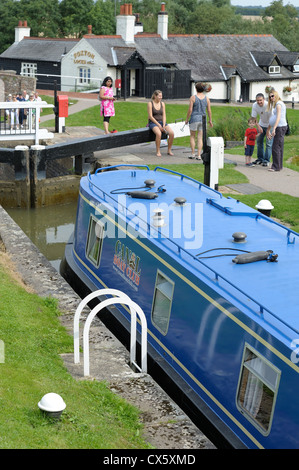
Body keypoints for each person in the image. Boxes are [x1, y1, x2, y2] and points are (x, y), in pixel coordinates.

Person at [185, 82, 213, 160]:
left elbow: (190, 110)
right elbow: (209, 110)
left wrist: (187, 119)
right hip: (203, 119)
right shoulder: (206, 98)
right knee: (200, 137)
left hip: (194, 118)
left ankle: (193, 153)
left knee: (192, 136)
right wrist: (210, 120)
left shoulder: (193, 98)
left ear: (196, 89)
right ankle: (199, 155)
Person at [147, 90, 174, 157]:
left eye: (161, 96)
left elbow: (164, 115)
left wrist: (164, 124)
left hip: (162, 122)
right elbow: (150, 116)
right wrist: (158, 125)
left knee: (171, 133)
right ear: (155, 96)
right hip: (153, 122)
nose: (160, 97)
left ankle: (169, 150)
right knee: (159, 133)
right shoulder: (150, 103)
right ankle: (158, 151)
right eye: (159, 96)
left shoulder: (162, 104)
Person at [266, 90, 288, 172]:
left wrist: (274, 128)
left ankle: (276, 166)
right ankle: (279, 165)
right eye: (270, 96)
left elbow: (278, 117)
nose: (271, 98)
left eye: (273, 96)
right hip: (280, 127)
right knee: (279, 147)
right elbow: (274, 118)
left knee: (275, 147)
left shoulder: (278, 104)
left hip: (280, 127)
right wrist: (269, 129)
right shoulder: (277, 104)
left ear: (276, 95)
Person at [251, 93, 273, 166]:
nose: (259, 102)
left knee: (268, 143)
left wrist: (268, 130)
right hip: (261, 124)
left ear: (264, 99)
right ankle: (260, 159)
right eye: (257, 100)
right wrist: (258, 126)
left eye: (260, 100)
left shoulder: (268, 106)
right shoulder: (254, 105)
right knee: (259, 142)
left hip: (270, 125)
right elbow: (254, 117)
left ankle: (266, 160)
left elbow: (272, 119)